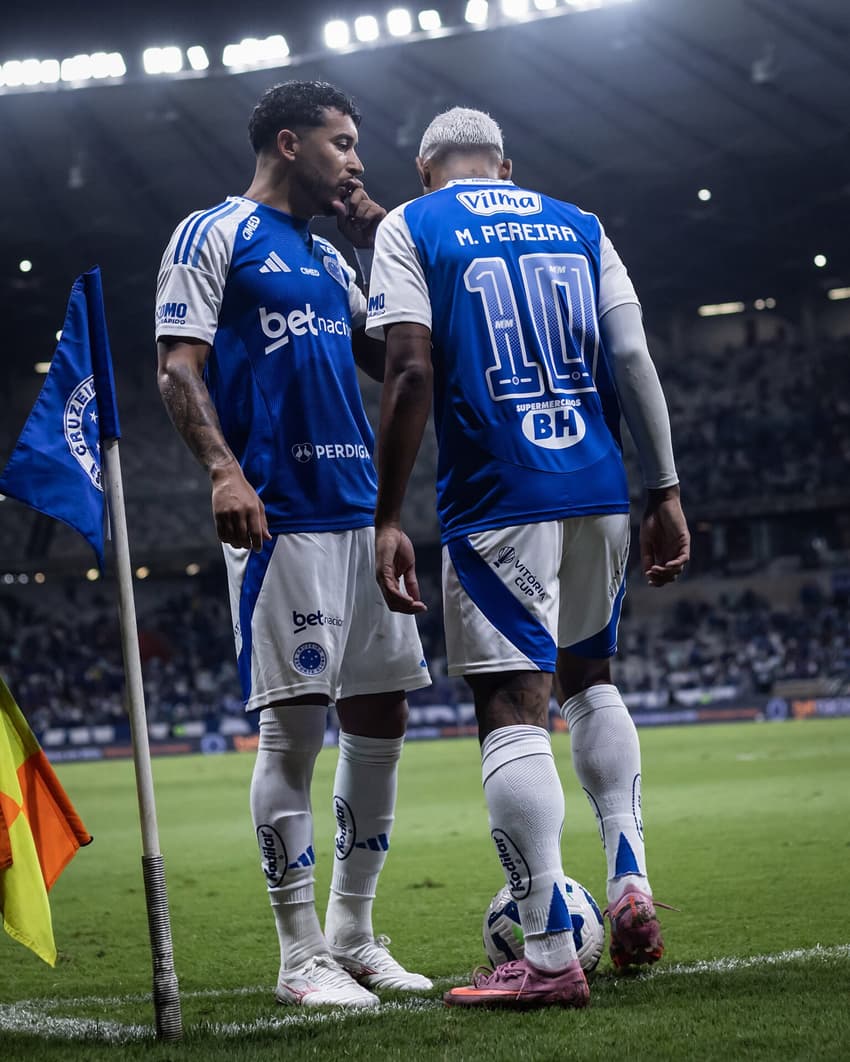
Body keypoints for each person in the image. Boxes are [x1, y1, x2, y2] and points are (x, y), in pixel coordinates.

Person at [367, 108, 690, 1008]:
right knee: (592, 680)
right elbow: (631, 355)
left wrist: (389, 512)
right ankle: (628, 878)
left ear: (426, 167)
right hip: (597, 486)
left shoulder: (413, 223)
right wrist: (661, 488)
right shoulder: (580, 224)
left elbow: (409, 369)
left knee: (512, 708)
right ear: (506, 165)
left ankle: (548, 957)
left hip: (499, 496)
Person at [154, 80, 433, 1009]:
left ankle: (353, 934)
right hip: (283, 517)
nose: (356, 160)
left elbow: (394, 357)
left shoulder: (327, 253)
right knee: (296, 730)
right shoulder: (212, 233)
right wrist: (223, 473)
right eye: (343, 144)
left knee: (382, 721)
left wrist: (379, 238)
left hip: (363, 512)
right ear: (289, 142)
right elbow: (177, 367)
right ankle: (298, 953)